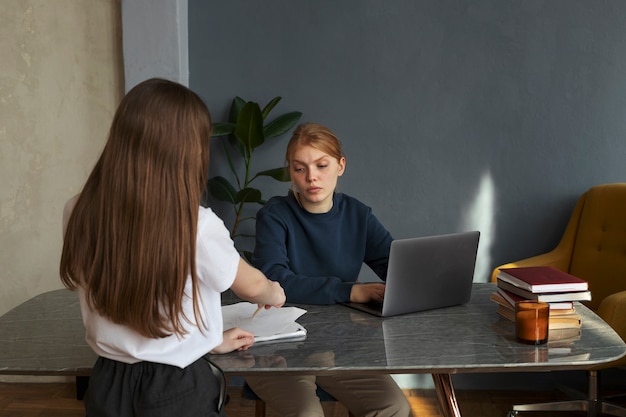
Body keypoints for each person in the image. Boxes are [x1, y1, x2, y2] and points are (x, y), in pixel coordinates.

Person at [59, 78, 285, 417]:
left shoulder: (78, 209)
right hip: (177, 390)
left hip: (107, 383)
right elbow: (252, 286)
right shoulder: (196, 224)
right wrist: (274, 293)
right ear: (185, 151)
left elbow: (140, 305)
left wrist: (210, 341)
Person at [246, 122, 411, 417]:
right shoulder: (274, 216)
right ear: (291, 173)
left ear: (340, 165)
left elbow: (397, 267)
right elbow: (275, 282)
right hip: (277, 348)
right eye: (300, 168)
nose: (311, 177)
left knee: (393, 406)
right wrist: (349, 291)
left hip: (340, 345)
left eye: (321, 165)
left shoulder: (358, 215)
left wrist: (422, 280)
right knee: (307, 414)